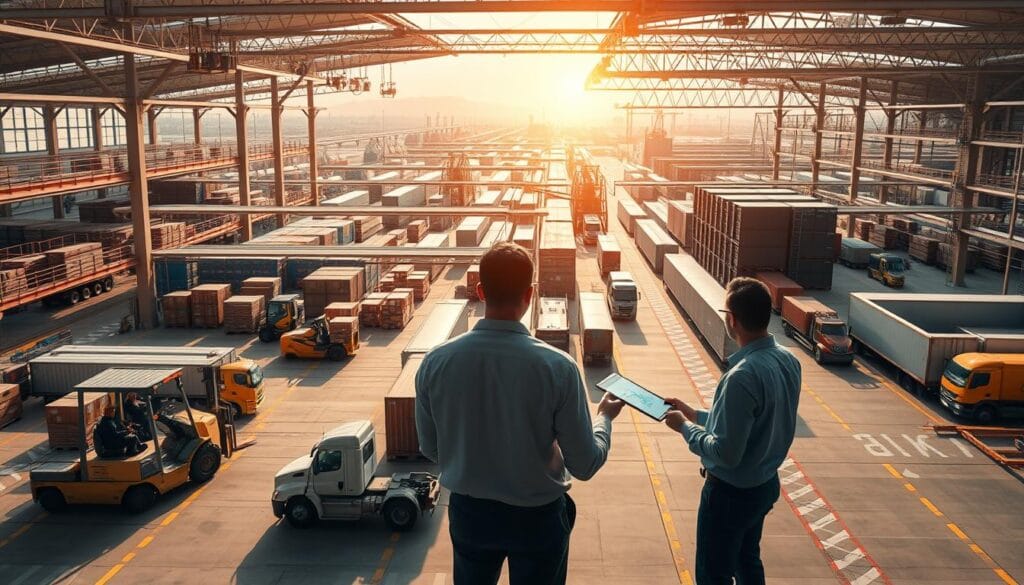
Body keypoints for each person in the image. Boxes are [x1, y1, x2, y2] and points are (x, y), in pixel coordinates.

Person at [416, 242, 625, 585]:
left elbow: (430, 449)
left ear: (480, 291)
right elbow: (584, 465)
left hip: (471, 515)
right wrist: (604, 420)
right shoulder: (558, 368)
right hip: (537, 519)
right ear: (530, 294)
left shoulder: (435, 363)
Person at [662, 277, 801, 585]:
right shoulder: (789, 361)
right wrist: (693, 413)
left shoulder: (741, 376)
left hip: (730, 496)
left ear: (733, 319)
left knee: (713, 576)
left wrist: (684, 428)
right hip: (763, 486)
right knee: (748, 562)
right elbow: (749, 423)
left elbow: (726, 452)